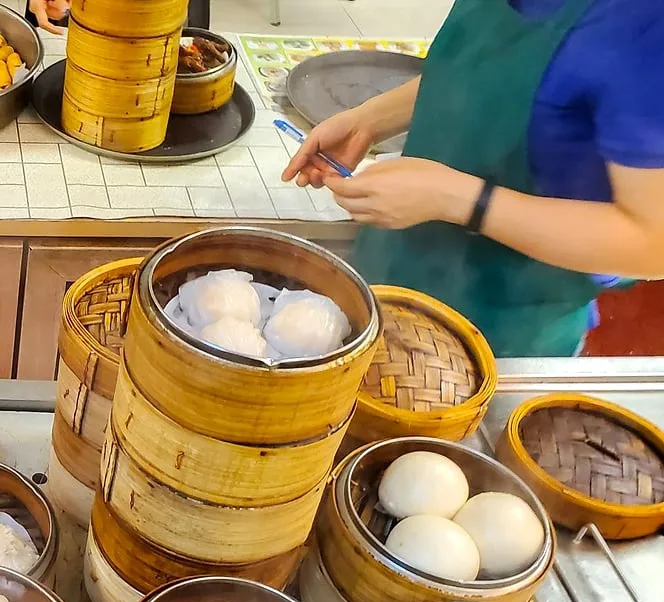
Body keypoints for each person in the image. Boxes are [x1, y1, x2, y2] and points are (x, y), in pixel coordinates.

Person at [282, 0, 664, 356]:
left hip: (503, 334)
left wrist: (459, 199)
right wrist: (370, 119)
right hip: (394, 269)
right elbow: (485, 70)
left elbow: (653, 243)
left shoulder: (642, 29)